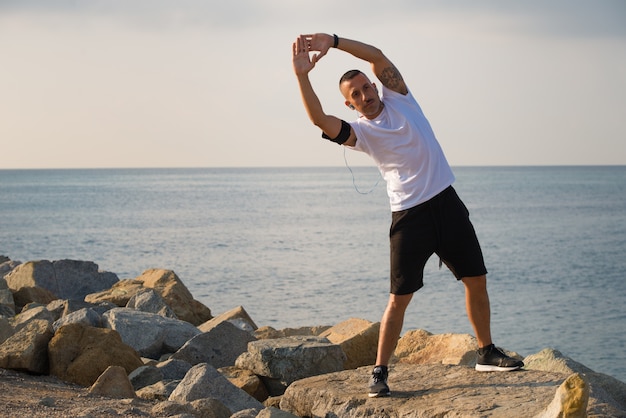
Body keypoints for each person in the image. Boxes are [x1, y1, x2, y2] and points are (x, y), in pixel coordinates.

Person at [291, 33, 524, 398]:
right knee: (399, 299)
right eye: (356, 95)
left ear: (375, 86)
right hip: (409, 218)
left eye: (367, 88)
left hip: (447, 203)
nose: (366, 96)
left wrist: (333, 41)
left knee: (475, 279)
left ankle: (485, 352)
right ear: (350, 104)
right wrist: (302, 75)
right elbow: (319, 118)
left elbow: (377, 55)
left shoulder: (400, 98)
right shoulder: (362, 134)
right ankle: (380, 372)